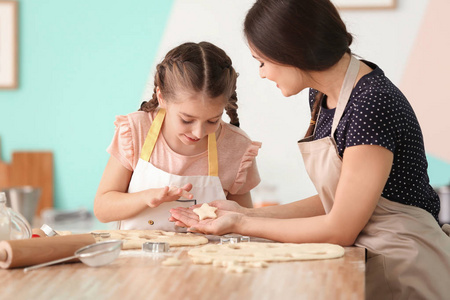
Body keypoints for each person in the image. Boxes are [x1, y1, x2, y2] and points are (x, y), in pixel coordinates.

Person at [169, 1, 450, 299]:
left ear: (290, 51)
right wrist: (248, 214)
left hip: (403, 268)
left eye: (261, 61)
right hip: (366, 256)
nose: (262, 74)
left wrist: (242, 222)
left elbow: (340, 227)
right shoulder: (323, 96)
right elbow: (341, 200)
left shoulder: (371, 103)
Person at [94, 41, 261, 232]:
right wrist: (146, 198)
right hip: (138, 260)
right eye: (187, 120)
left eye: (213, 121)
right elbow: (102, 209)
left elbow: (246, 222)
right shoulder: (136, 130)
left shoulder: (237, 147)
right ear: (162, 97)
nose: (199, 133)